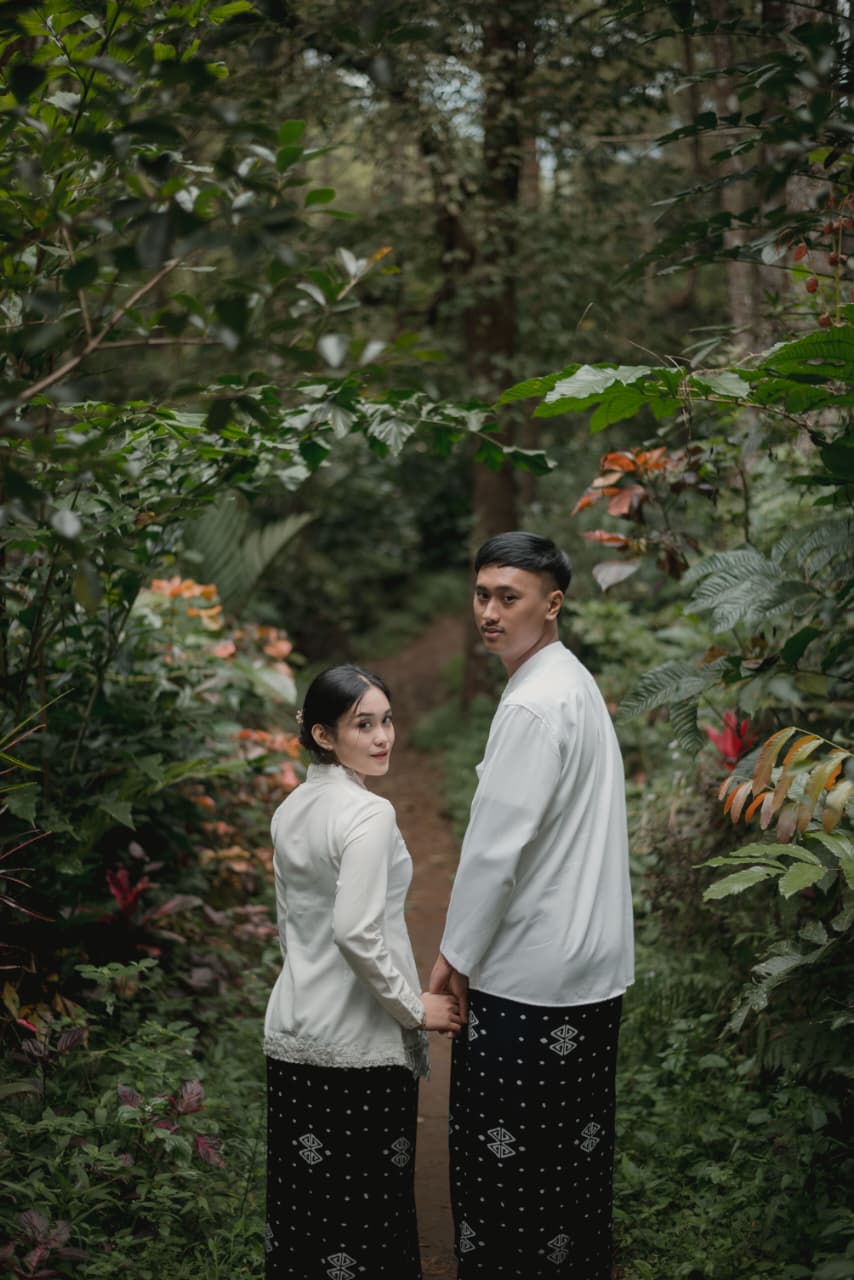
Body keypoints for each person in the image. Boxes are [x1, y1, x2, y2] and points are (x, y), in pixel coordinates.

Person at [429, 531, 635, 1279]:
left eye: (508, 598)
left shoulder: (533, 705)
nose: (489, 612)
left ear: (552, 604)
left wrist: (453, 957)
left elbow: (494, 853)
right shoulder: (572, 682)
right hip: (590, 966)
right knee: (571, 1165)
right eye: (482, 595)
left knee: (506, 1174)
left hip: (529, 977)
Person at [264, 664, 463, 1280]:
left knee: (304, 1219)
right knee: (369, 1222)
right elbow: (355, 932)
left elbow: (291, 928)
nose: (382, 738)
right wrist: (413, 1008)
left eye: (387, 721)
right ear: (323, 735)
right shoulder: (368, 814)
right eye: (363, 725)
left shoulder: (290, 809)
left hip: (292, 1033)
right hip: (359, 1044)